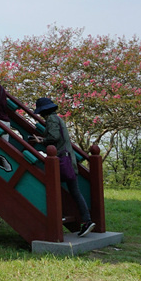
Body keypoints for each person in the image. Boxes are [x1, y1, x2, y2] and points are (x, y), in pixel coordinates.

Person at [33, 97, 96, 237]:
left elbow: (54, 138)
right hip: (69, 159)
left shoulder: (51, 120)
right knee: (75, 192)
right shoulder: (58, 119)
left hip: (62, 160)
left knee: (51, 187)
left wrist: (42, 141)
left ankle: (57, 215)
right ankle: (87, 220)